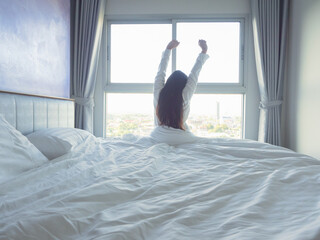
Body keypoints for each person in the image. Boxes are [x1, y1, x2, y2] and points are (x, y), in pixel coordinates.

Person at [150, 39, 209, 145]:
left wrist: (168, 49)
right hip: (181, 138)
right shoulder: (184, 95)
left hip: (158, 136)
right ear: (184, 86)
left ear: (168, 83)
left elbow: (161, 72)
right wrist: (204, 51)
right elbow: (194, 74)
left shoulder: (159, 93)